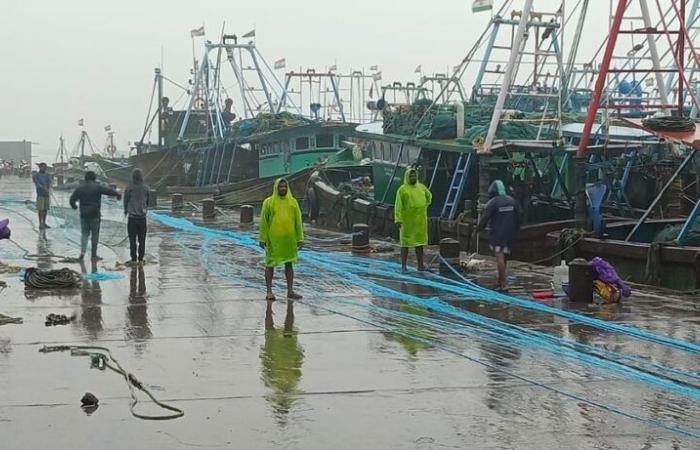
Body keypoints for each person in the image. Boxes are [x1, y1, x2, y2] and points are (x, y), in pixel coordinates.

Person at [259, 178, 304, 301]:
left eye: (285, 186)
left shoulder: (293, 202)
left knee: (289, 264)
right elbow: (264, 222)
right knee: (270, 264)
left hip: (289, 240)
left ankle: (290, 291)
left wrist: (300, 238)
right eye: (281, 186)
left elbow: (298, 222)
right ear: (276, 188)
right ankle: (269, 292)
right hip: (273, 240)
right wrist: (262, 238)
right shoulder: (268, 202)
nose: (283, 188)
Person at [476, 180, 522, 291]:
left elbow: (484, 219)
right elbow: (520, 215)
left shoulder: (493, 202)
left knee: (499, 257)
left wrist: (477, 230)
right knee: (504, 257)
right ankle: (499, 280)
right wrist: (516, 230)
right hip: (510, 234)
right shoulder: (513, 201)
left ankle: (503, 283)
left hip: (498, 234)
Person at [69, 171, 121, 261]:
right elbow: (109, 191)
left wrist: (74, 207)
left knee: (84, 234)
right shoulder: (97, 187)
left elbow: (72, 200)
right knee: (95, 235)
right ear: (94, 178)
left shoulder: (80, 188)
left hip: (84, 215)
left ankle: (82, 253)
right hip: (95, 215)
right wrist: (118, 194)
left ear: (85, 178)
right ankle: (94, 255)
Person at [394, 167, 432, 272]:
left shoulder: (422, 187)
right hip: (407, 221)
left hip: (420, 221)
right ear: (407, 177)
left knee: (419, 244)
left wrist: (423, 206)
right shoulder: (402, 190)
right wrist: (398, 220)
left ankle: (420, 265)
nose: (413, 177)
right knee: (405, 244)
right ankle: (403, 266)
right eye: (411, 176)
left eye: (414, 175)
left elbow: (429, 197)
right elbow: (398, 206)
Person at [123, 169, 150, 265]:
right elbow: (148, 202)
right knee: (142, 240)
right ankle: (141, 259)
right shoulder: (146, 188)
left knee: (132, 240)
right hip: (142, 218)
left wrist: (125, 210)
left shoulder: (129, 188)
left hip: (132, 218)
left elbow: (125, 201)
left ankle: (133, 259)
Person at [32, 162, 51, 229]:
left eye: (45, 167)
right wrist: (43, 188)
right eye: (43, 167)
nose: (44, 168)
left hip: (46, 194)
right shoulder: (36, 175)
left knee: (45, 209)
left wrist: (48, 188)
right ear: (40, 167)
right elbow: (37, 184)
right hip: (40, 194)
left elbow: (49, 182)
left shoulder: (47, 175)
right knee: (40, 209)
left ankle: (44, 223)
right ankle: (40, 223)